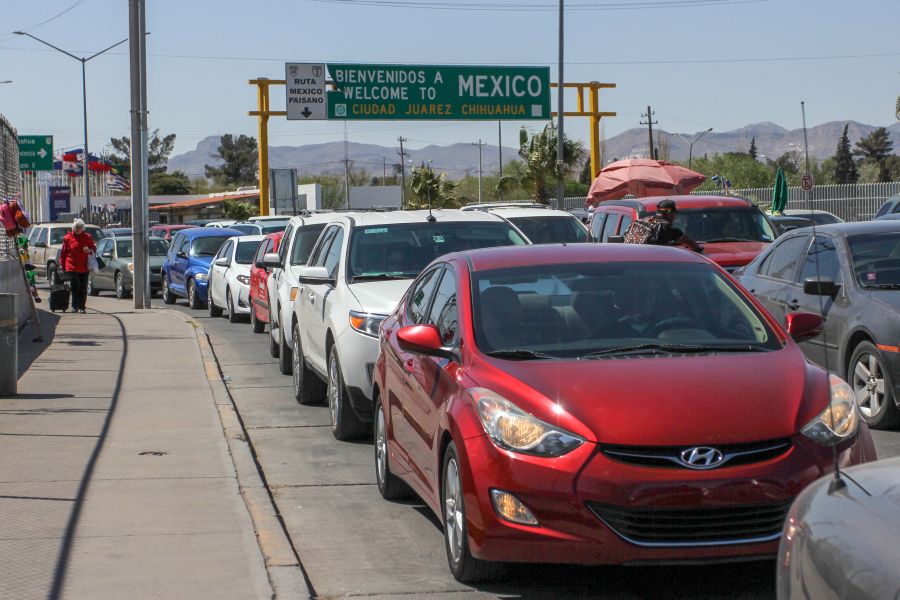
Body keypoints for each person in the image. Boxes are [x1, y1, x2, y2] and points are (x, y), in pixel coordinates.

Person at [59, 218, 96, 314]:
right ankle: (75, 306)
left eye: (79, 231)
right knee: (76, 285)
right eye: (75, 231)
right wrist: (62, 265)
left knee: (83, 287)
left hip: (84, 266)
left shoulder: (87, 237)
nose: (76, 232)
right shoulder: (67, 238)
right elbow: (63, 253)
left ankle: (82, 307)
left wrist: (89, 250)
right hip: (71, 266)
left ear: (82, 230)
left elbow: (93, 248)